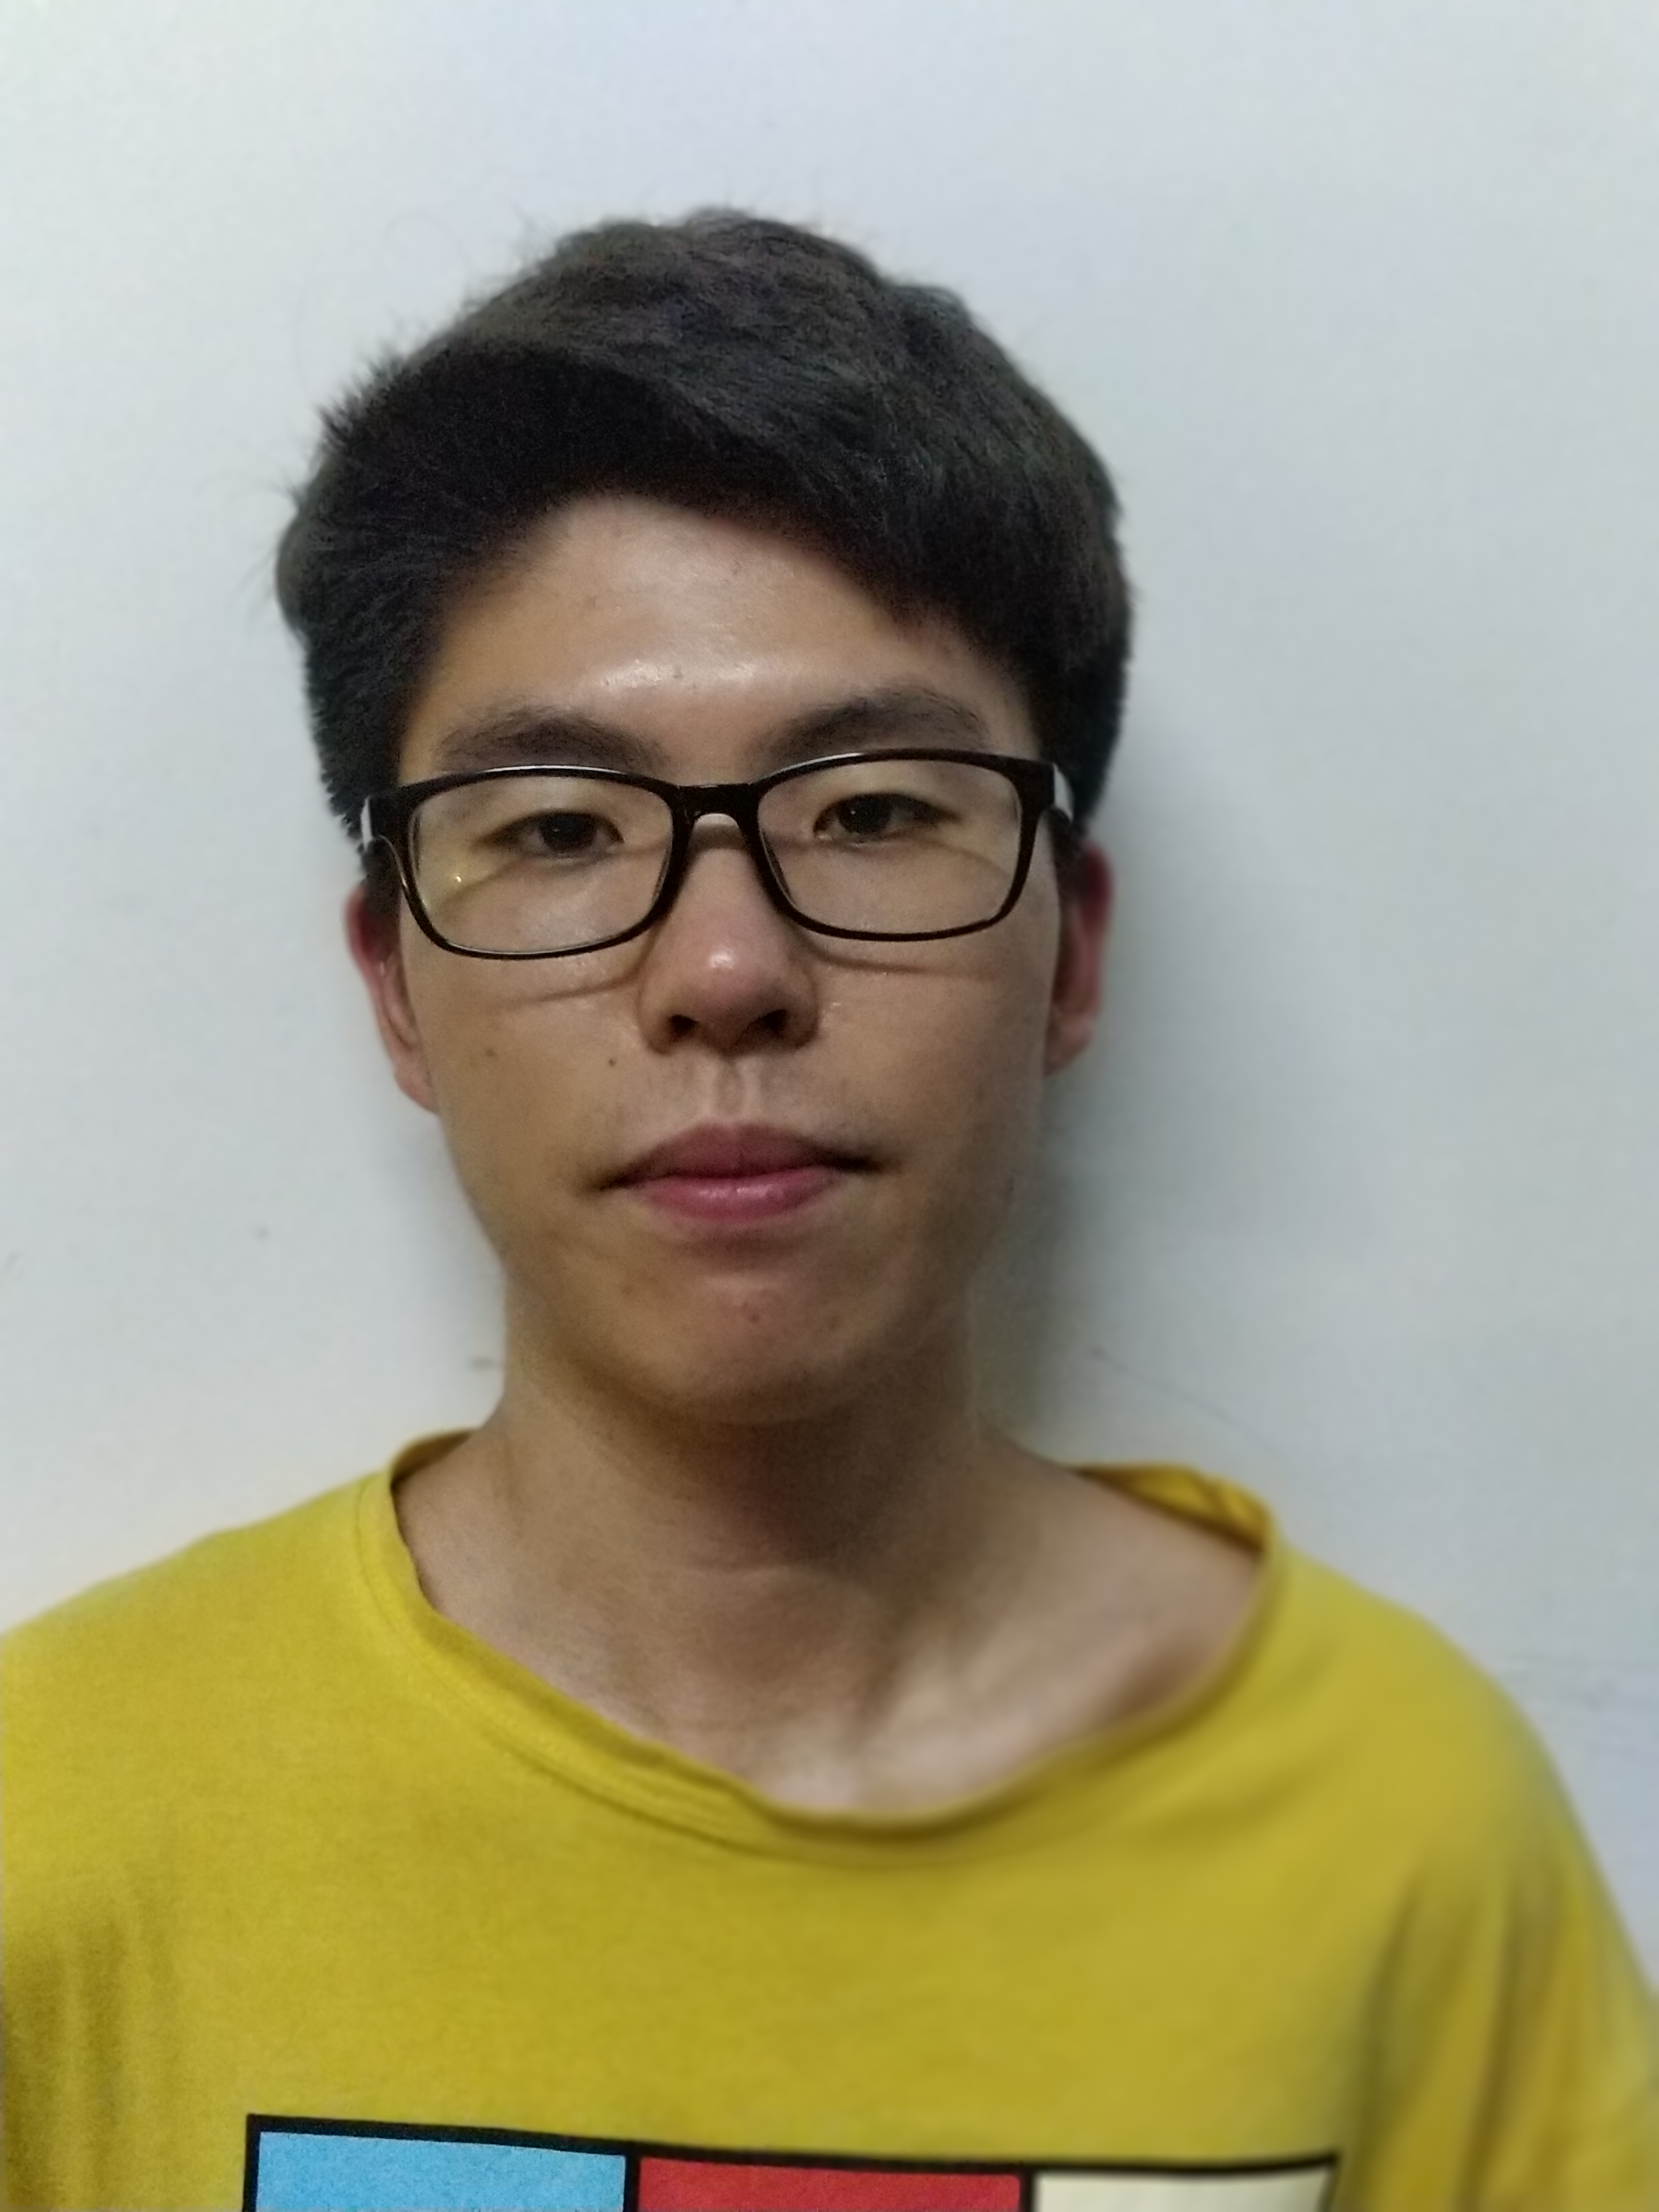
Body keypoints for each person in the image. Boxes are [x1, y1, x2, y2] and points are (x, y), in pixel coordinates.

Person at [2, 211, 1654, 2212]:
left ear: (1069, 955)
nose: (725, 969)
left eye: (872, 813)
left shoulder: (1403, 1830)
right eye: (560, 828)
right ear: (398, 987)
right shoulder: (55, 1829)